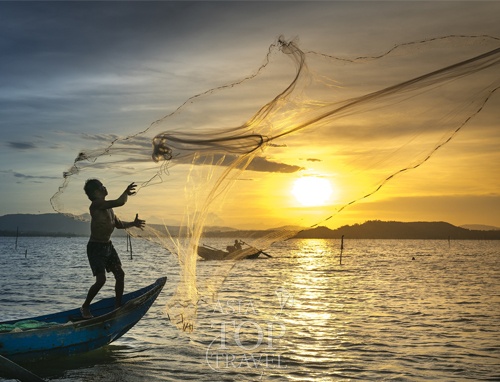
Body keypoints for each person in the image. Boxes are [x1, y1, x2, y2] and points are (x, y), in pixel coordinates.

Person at [80, 179, 145, 319]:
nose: (105, 187)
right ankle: (85, 306)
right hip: (96, 247)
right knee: (101, 280)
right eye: (102, 186)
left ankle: (117, 307)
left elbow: (119, 225)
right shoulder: (96, 204)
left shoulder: (109, 208)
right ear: (97, 192)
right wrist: (126, 193)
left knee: (120, 274)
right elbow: (120, 202)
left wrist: (133, 223)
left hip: (108, 246)